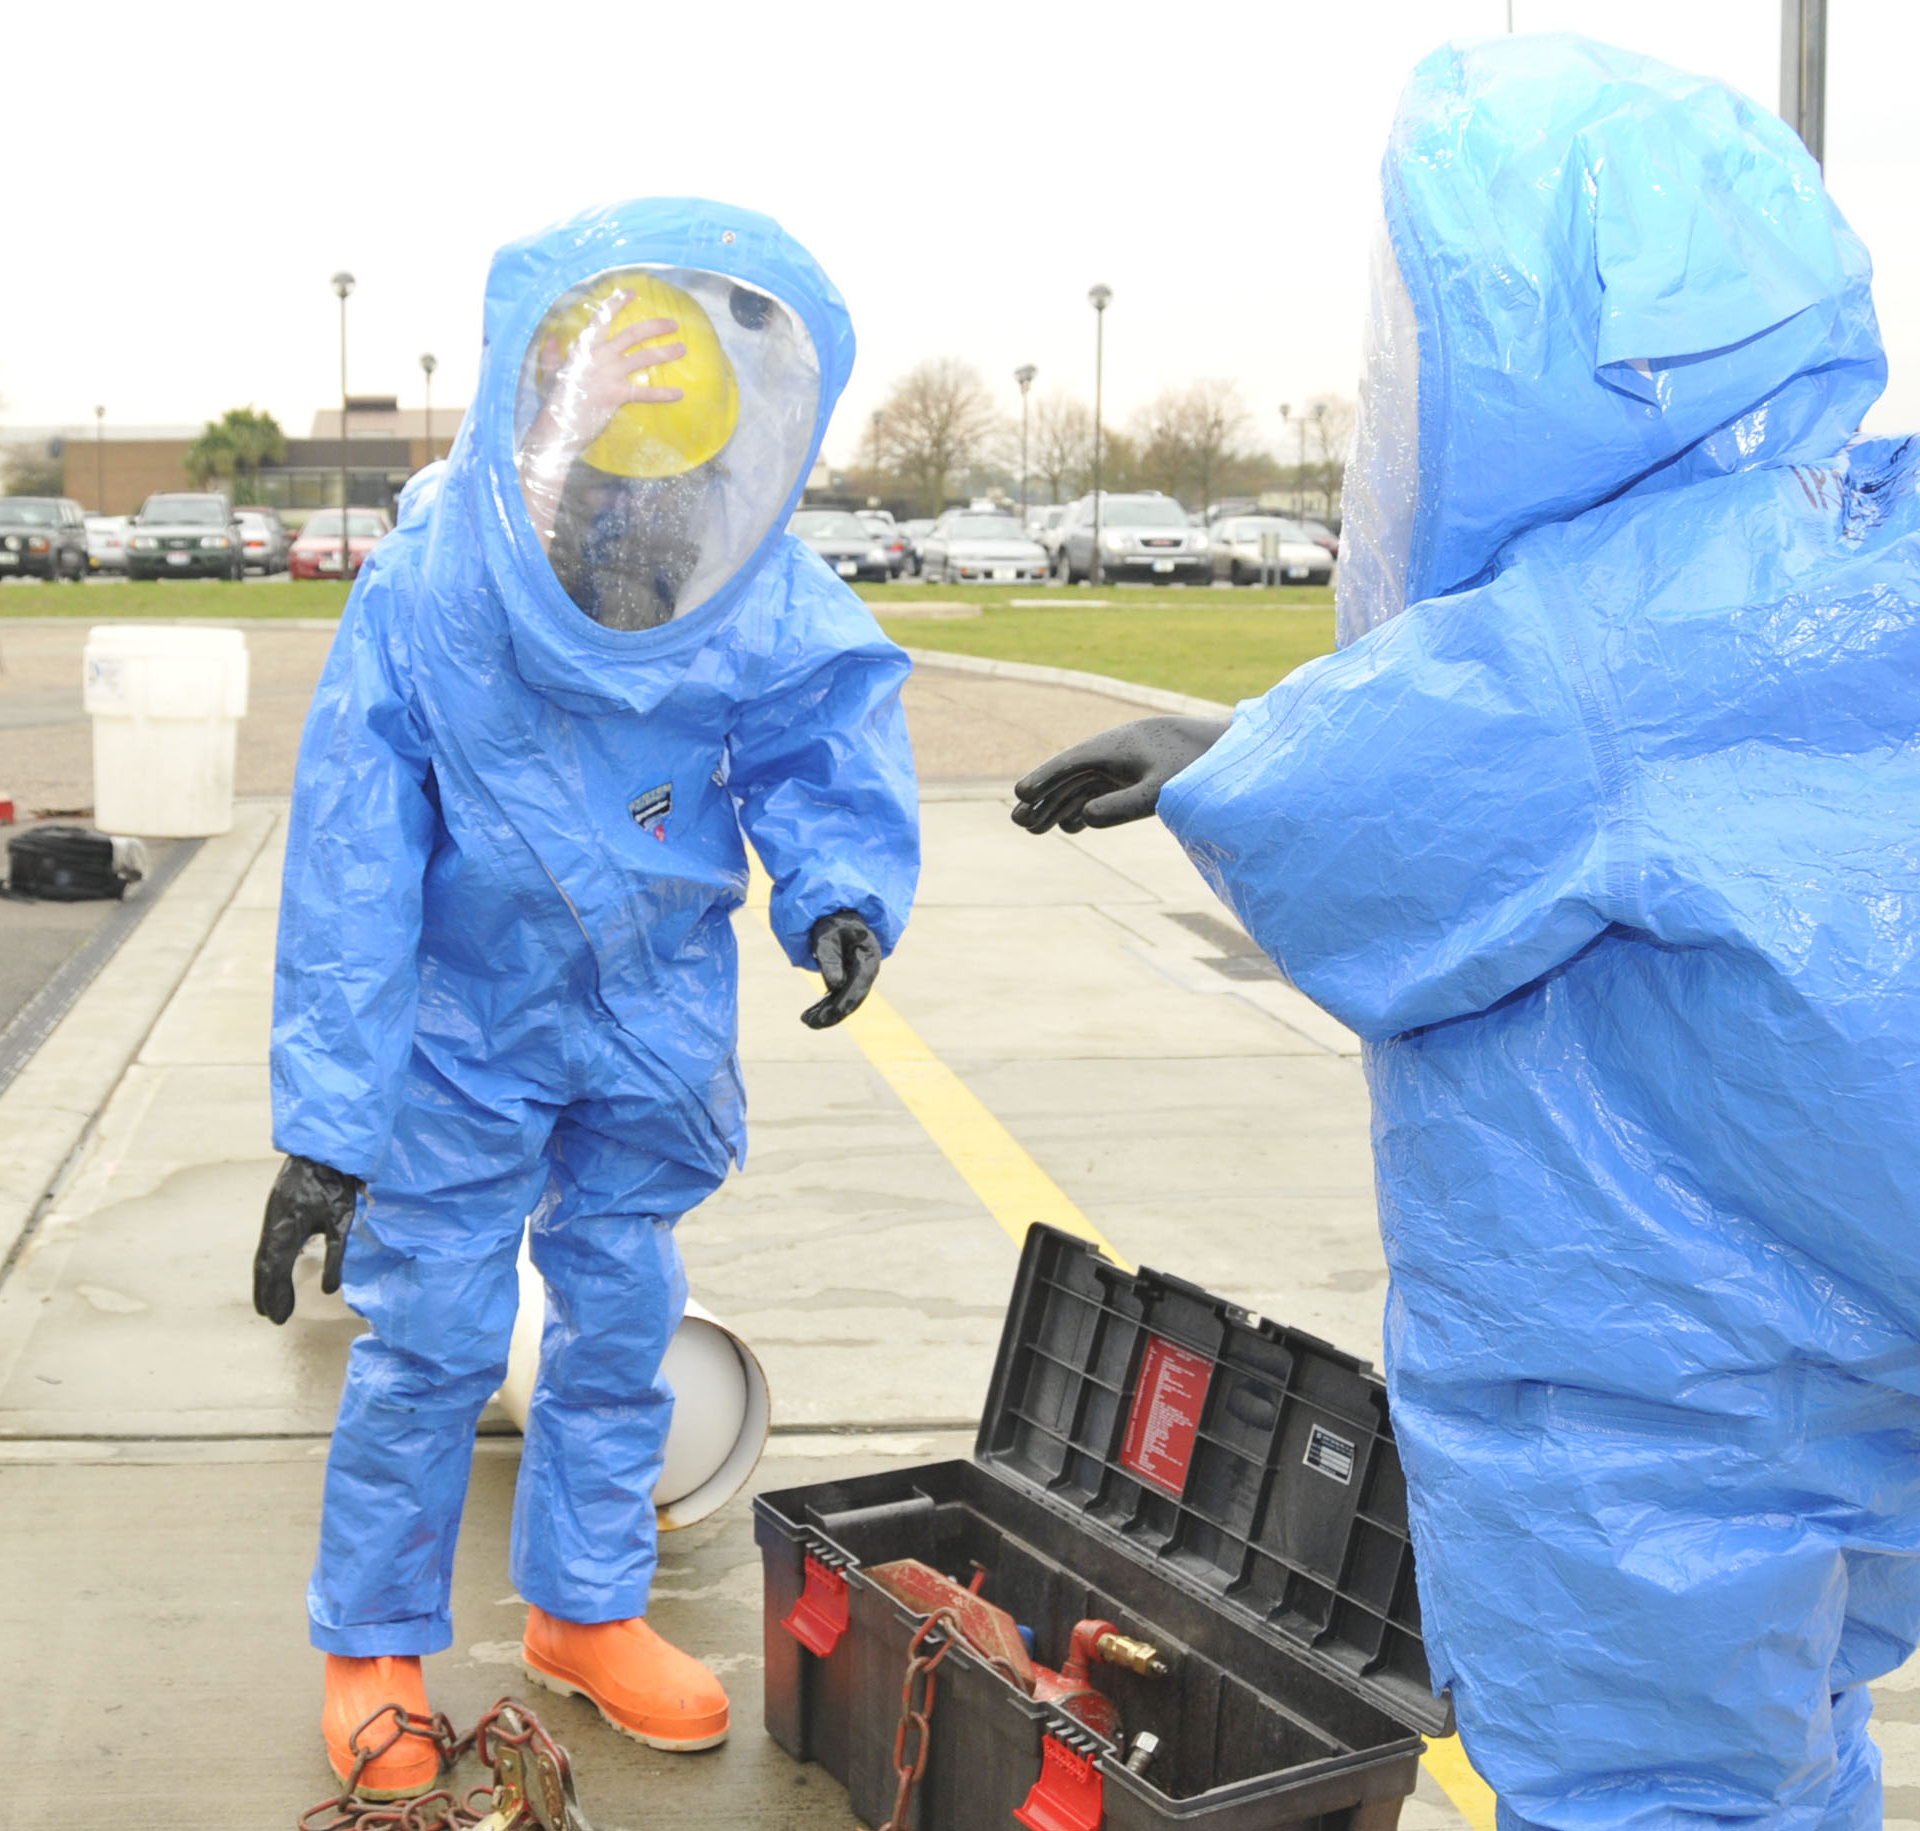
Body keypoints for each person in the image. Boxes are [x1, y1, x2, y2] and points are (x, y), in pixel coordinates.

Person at [1013, 36, 1920, 1830]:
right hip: (1840, 1328)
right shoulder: (1846, 559)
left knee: (1645, 1773)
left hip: (1652, 1351)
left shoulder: (1591, 631)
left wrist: (1222, 764)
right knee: (1795, 1706)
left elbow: (1375, 826)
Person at [258, 199, 920, 1801]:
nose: (629, 490)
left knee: (620, 1319)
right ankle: (374, 1641)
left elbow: (818, 730)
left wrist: (839, 890)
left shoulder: (738, 576)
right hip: (464, 1030)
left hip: (651, 1006)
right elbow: (353, 867)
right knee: (432, 1332)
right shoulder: (432, 590)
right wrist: (330, 1126)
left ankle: (586, 1605)